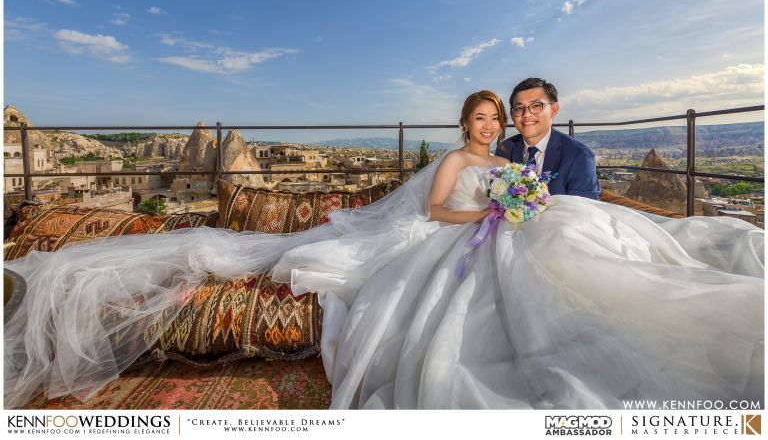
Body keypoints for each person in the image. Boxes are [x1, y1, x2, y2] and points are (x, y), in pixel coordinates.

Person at [4, 91, 764, 410]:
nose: (490, 125)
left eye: (497, 117)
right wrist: (490, 214)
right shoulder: (460, 162)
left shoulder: (507, 159)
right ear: (465, 124)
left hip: (507, 230)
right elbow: (435, 211)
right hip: (464, 233)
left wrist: (514, 205)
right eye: (482, 117)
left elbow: (522, 194)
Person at [496, 77, 601, 199]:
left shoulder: (579, 155)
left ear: (554, 110)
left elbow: (583, 208)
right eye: (519, 108)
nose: (526, 114)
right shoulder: (504, 149)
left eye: (536, 106)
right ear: (512, 114)